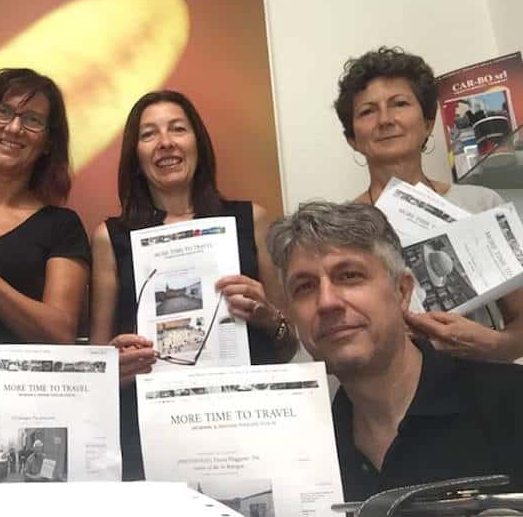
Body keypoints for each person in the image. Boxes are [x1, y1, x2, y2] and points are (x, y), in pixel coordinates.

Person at [90, 90, 297, 480]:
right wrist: (113, 364)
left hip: (246, 425)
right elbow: (99, 368)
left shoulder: (251, 220)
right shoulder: (110, 237)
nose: (165, 143)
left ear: (197, 142)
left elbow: (290, 345)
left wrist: (269, 317)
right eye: (149, 134)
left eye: (178, 129)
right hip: (151, 429)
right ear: (135, 155)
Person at [267, 201, 523, 501]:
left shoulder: (512, 400)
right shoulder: (299, 446)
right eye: (305, 287)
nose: (326, 302)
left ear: (402, 292)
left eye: (349, 276)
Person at [334, 46, 523, 361]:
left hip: (482, 387)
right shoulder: (340, 227)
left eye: (400, 104)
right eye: (367, 111)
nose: (385, 120)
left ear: (427, 122)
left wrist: (492, 345)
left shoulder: (482, 203)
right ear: (352, 138)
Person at [0, 68, 89, 345]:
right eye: (3, 112)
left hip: (18, 386)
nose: (13, 128)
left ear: (48, 142)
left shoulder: (62, 227)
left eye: (32, 120)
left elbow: (61, 334)